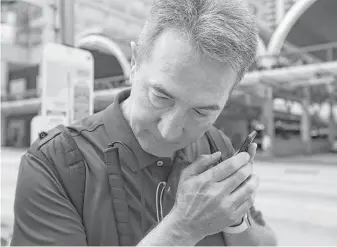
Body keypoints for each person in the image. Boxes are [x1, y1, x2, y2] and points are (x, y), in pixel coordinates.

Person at [11, 0, 277, 245]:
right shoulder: (54, 165)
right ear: (135, 62)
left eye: (201, 112)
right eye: (161, 96)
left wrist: (233, 217)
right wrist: (182, 228)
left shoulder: (217, 146)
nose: (169, 131)